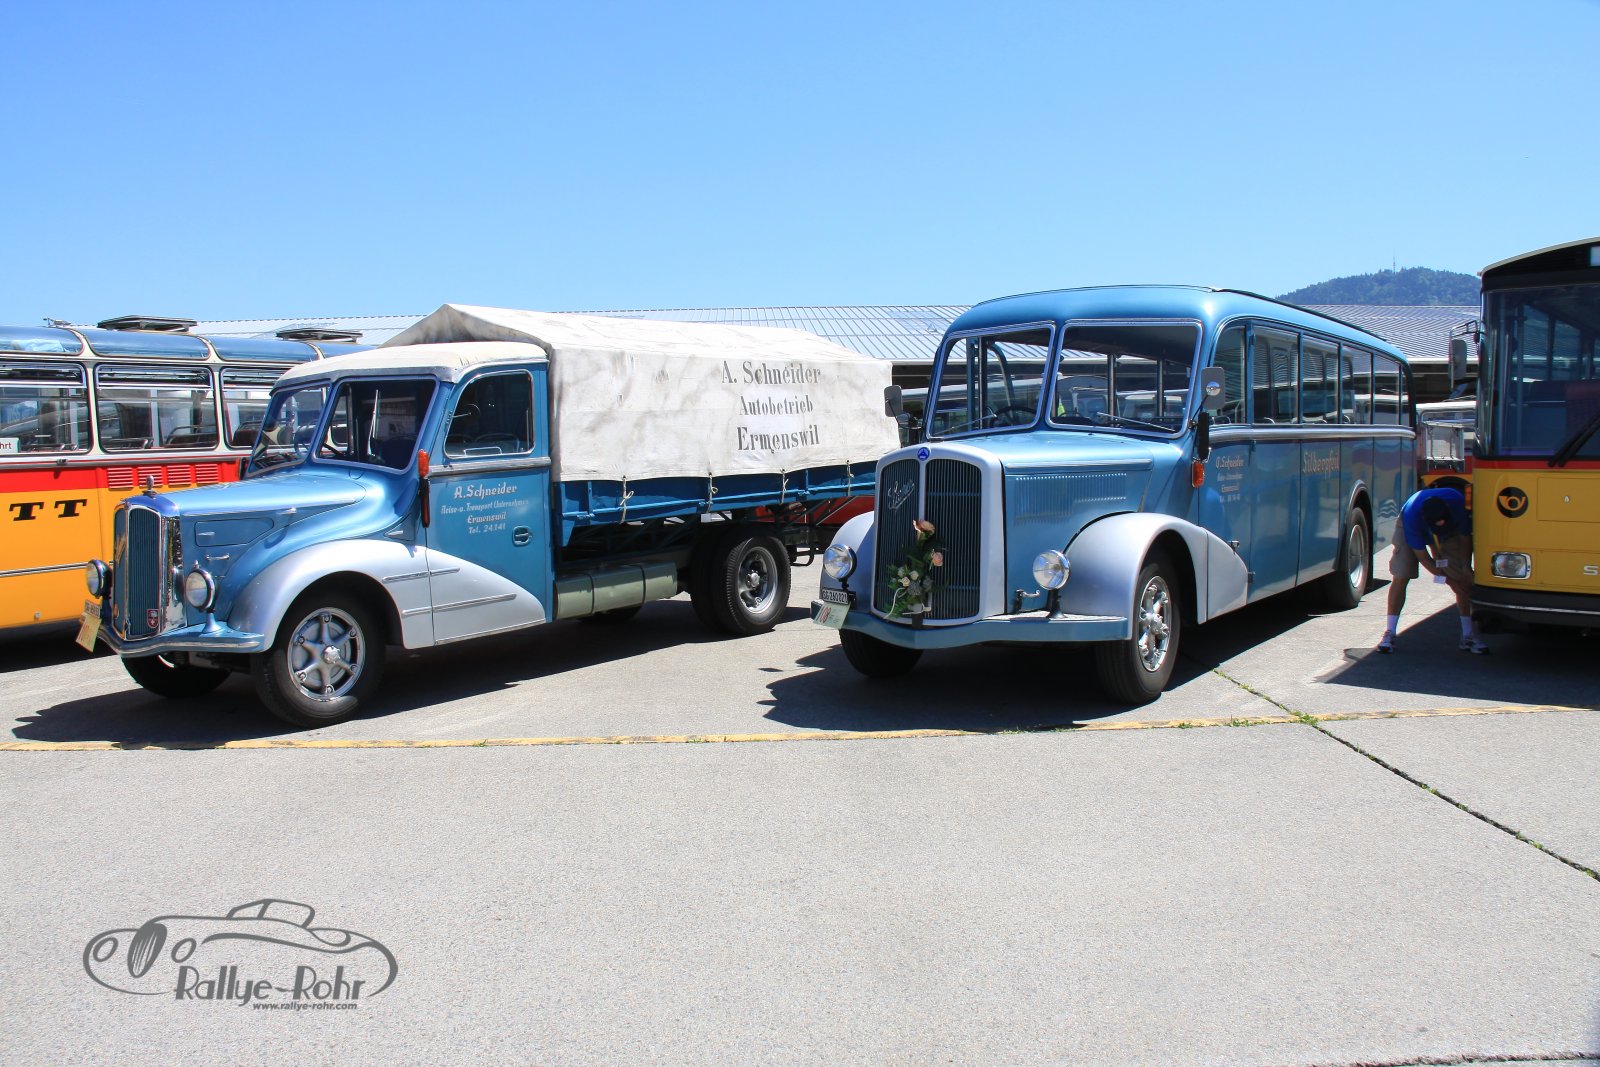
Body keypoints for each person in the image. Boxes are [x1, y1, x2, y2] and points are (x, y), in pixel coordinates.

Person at [1377, 486, 1487, 654]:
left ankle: (1468, 636)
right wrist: (1448, 581)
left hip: (1449, 531)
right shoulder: (1412, 519)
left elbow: (1465, 538)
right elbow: (1424, 558)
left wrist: (1465, 566)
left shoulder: (1457, 504)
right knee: (1402, 574)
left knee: (1462, 579)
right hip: (1409, 525)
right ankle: (1389, 633)